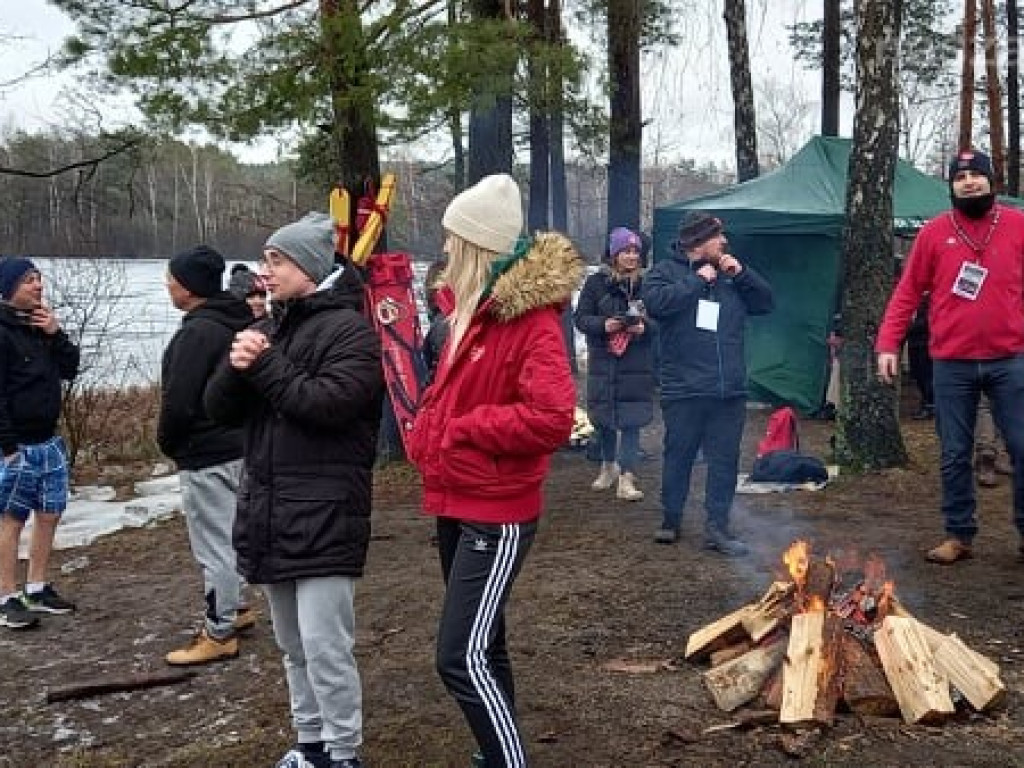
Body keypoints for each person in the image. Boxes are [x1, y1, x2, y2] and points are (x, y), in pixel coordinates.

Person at [406, 174, 581, 768]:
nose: (445, 249)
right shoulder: (464, 314)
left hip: (497, 512)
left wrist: (465, 428)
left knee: (458, 656)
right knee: (487, 644)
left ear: (477, 245)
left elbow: (552, 417)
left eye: (453, 238)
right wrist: (430, 432)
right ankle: (496, 753)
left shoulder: (530, 323)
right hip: (456, 499)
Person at [205, 213, 384, 768]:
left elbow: (327, 405)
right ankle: (309, 743)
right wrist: (237, 368)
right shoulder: (275, 326)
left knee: (326, 647)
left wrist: (264, 365)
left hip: (327, 511)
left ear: (309, 266)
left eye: (277, 260)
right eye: (266, 259)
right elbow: (217, 411)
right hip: (270, 509)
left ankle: (344, 751)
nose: (266, 270)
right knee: (292, 647)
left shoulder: (352, 331)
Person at [876, 148, 1024, 565]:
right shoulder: (933, 233)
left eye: (977, 175)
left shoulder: (1017, 225)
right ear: (951, 186)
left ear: (992, 181)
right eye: (960, 178)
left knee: (1021, 444)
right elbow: (907, 293)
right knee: (955, 452)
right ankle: (959, 534)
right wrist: (888, 343)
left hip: (1009, 358)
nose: (969, 182)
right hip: (952, 363)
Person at [642, 211, 774, 555]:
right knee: (678, 455)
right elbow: (657, 305)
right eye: (718, 237)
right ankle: (671, 519)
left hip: (727, 389)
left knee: (724, 460)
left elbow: (765, 302)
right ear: (697, 243)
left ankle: (718, 526)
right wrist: (697, 280)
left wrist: (742, 274)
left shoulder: (731, 274)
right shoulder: (664, 272)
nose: (724, 242)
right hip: (683, 387)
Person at [158, 246, 256, 665]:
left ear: (190, 287)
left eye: (173, 279)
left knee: (215, 543)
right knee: (236, 532)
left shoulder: (197, 333)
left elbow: (179, 401)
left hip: (205, 452)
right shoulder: (237, 320)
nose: (167, 285)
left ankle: (219, 631)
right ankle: (238, 607)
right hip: (239, 446)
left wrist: (169, 442)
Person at [0, 257, 80, 630]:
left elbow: (70, 368)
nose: (38, 286)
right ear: (9, 287)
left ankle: (37, 586)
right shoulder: (2, 332)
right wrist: (8, 447)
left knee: (49, 514)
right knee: (12, 519)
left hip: (48, 442)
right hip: (15, 446)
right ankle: (7, 596)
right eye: (29, 280)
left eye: (39, 279)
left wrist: (56, 333)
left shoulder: (39, 327)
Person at [574, 226, 656, 501]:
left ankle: (627, 476)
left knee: (631, 420)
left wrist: (645, 329)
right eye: (626, 251)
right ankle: (607, 465)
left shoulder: (648, 283)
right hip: (604, 360)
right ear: (614, 254)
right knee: (605, 418)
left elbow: (662, 322)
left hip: (636, 361)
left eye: (636, 252)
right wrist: (603, 324)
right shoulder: (596, 283)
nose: (632, 257)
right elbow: (581, 318)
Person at [905, 294, 934, 420]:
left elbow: (927, 322)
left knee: (927, 376)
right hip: (914, 343)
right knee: (918, 375)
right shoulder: (913, 300)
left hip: (925, 344)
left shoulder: (929, 300)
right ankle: (926, 403)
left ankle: (930, 405)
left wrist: (908, 328)